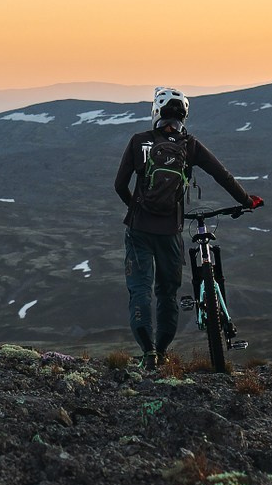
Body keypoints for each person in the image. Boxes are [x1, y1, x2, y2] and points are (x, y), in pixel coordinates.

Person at [112, 87, 261, 366]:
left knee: (140, 289)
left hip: (139, 230)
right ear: (184, 115)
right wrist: (246, 200)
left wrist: (136, 209)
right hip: (170, 233)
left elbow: (119, 185)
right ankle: (164, 350)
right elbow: (222, 175)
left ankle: (148, 352)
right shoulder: (190, 145)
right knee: (167, 293)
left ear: (156, 112)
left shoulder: (138, 141)